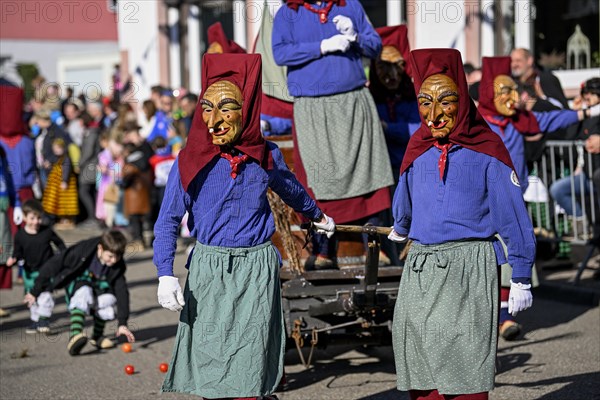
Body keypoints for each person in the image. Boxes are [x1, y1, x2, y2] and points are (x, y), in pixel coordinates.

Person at [153, 53, 335, 400]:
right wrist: (164, 272)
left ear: (246, 111)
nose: (214, 120)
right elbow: (168, 221)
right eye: (207, 108)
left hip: (256, 269)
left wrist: (317, 216)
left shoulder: (265, 156)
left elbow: (291, 188)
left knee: (249, 362)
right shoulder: (189, 159)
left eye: (226, 108)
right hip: (209, 270)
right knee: (211, 363)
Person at [388, 48, 536, 399]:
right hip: (421, 268)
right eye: (424, 102)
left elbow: (512, 216)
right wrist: (401, 226)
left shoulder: (488, 149)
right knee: (418, 355)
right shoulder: (417, 148)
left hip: (469, 267)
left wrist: (521, 275)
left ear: (464, 101)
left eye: (445, 101)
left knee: (465, 360)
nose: (434, 114)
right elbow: (404, 203)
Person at [273, 0, 393, 269]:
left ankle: (375, 248)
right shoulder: (287, 13)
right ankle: (324, 250)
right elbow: (280, 54)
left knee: (369, 171)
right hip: (313, 107)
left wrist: (355, 37)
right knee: (319, 177)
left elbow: (375, 47)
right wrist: (321, 47)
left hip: (353, 100)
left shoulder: (351, 6)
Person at [25, 230, 135, 355]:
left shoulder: (117, 265)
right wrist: (35, 291)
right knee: (84, 292)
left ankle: (97, 336)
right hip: (79, 285)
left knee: (110, 298)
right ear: (100, 248)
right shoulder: (83, 250)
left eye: (118, 257)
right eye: (110, 256)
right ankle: (75, 335)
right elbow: (55, 263)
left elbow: (122, 292)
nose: (114, 260)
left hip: (99, 288)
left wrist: (122, 323)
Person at [7, 199, 66, 333]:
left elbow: (60, 244)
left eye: (39, 218)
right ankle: (35, 321)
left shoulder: (47, 232)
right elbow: (18, 252)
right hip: (29, 272)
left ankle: (43, 320)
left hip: (47, 270)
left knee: (46, 296)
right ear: (24, 217)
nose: (36, 222)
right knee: (31, 297)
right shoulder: (20, 235)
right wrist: (14, 259)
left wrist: (63, 256)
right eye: (32, 218)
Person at [0, 147, 22, 318]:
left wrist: (17, 204)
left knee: (3, 258)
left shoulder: (2, 156)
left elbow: (9, 180)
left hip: (2, 214)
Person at [42, 138, 79, 229]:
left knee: (65, 202)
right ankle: (60, 218)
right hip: (56, 185)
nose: (56, 150)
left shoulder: (66, 159)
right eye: (54, 148)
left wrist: (64, 181)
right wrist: (48, 166)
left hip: (64, 184)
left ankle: (66, 219)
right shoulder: (56, 158)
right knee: (57, 202)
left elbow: (66, 170)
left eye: (58, 148)